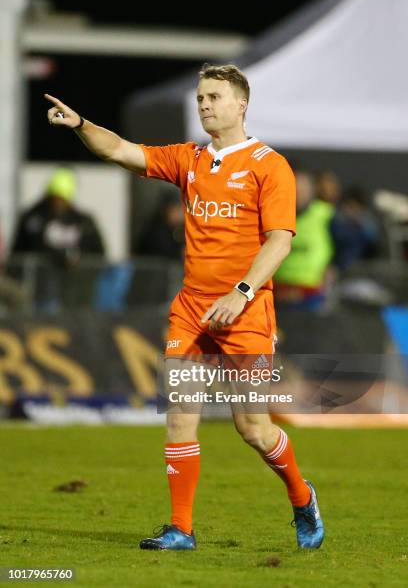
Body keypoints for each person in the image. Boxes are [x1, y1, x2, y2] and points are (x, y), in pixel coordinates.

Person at [44, 63, 324, 550]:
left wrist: (240, 293)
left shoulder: (269, 165)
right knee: (179, 414)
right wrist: (83, 127)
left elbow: (279, 241)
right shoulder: (188, 158)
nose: (204, 105)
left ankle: (302, 497)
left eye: (215, 97)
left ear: (242, 104)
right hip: (192, 309)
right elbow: (119, 150)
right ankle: (181, 529)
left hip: (246, 311)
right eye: (200, 98)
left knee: (253, 428)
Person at [10, 168, 105, 311]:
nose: (58, 203)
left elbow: (98, 251)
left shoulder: (83, 221)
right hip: (41, 287)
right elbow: (27, 248)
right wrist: (58, 256)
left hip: (75, 288)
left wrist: (79, 258)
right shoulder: (34, 217)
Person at [274, 169, 335, 310]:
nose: (298, 193)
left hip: (312, 296)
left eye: (302, 188)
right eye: (293, 188)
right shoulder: (269, 213)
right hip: (275, 294)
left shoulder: (326, 215)